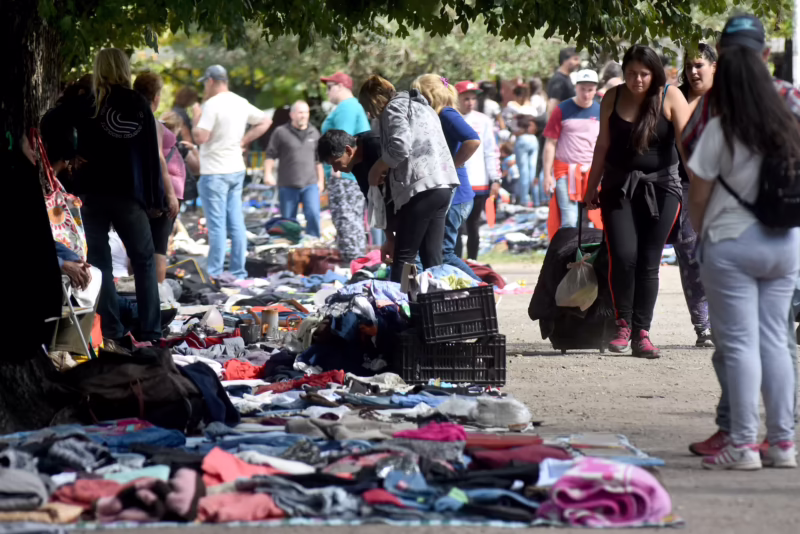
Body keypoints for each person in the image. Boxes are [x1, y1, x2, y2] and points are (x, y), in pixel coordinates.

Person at [683, 13, 800, 463]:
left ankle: (743, 444)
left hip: (732, 243)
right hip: (784, 242)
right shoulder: (789, 113)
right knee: (776, 339)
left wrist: (702, 236)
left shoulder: (720, 121)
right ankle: (784, 444)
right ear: (765, 60)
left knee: (740, 345)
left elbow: (699, 191)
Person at [583, 44, 692, 359]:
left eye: (644, 74)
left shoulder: (671, 97)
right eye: (631, 73)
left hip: (663, 189)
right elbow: (602, 144)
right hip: (618, 188)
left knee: (648, 260)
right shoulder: (613, 97)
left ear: (655, 73)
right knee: (623, 255)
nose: (637, 80)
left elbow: (687, 147)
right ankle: (623, 325)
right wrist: (591, 186)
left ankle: (642, 333)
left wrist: (699, 187)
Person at [73, 48, 168, 343]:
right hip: (129, 195)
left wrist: (74, 159)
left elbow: (67, 134)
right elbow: (150, 156)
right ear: (124, 69)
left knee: (99, 265)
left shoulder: (88, 104)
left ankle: (113, 331)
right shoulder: (137, 103)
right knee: (144, 261)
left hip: (92, 195)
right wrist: (156, 200)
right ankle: (150, 330)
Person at [357, 75, 460, 283]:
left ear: (375, 100)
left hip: (421, 187)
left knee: (404, 256)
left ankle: (396, 305)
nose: (369, 113)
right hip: (444, 184)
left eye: (368, 106)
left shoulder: (394, 108)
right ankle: (437, 307)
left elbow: (400, 147)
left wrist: (378, 167)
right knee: (433, 259)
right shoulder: (422, 106)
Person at [192, 65, 272, 280]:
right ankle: (238, 272)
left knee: (217, 226)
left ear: (210, 81)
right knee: (236, 223)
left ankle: (215, 274)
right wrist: (244, 140)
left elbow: (201, 137)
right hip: (236, 169)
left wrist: (196, 118)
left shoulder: (211, 105)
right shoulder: (240, 102)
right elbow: (266, 120)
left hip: (214, 172)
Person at [412, 74, 482, 281]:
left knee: (444, 252)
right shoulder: (436, 116)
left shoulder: (447, 114)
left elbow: (473, 140)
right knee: (436, 252)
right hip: (450, 194)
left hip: (457, 196)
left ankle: (481, 288)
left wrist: (451, 165)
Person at [672, 44, 718, 347]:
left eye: (699, 65)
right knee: (690, 255)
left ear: (714, 66)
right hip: (687, 188)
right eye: (688, 66)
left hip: (727, 189)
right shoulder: (677, 98)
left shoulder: (731, 99)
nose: (692, 71)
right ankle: (704, 328)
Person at [133, 71, 185, 283]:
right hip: (161, 190)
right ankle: (156, 298)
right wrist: (171, 195)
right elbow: (158, 159)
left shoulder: (129, 119)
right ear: (156, 97)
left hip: (146, 189)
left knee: (139, 247)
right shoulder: (149, 121)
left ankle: (140, 294)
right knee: (158, 247)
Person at [542, 69, 603, 239]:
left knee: (592, 219)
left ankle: (587, 258)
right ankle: (568, 257)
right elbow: (550, 143)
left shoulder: (601, 111)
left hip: (592, 172)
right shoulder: (562, 109)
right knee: (569, 219)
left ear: (595, 89)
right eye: (582, 89)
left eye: (590, 89)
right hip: (565, 171)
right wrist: (547, 175)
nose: (586, 94)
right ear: (576, 87)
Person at [320, 71, 372, 262]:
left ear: (341, 86)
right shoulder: (350, 106)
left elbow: (341, 140)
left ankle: (355, 263)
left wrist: (336, 171)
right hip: (350, 175)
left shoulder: (347, 107)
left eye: (329, 88)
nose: (327, 93)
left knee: (347, 220)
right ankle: (356, 263)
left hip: (345, 176)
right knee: (350, 220)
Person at [455, 80, 501, 260]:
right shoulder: (449, 117)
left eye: (473, 98)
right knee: (456, 226)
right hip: (457, 180)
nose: (470, 102)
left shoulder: (483, 120)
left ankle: (473, 262)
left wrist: (495, 178)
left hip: (479, 181)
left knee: (474, 226)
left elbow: (491, 150)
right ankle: (456, 263)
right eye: (466, 98)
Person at [263, 101, 323, 238]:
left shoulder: (314, 133)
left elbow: (318, 159)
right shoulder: (280, 132)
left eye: (306, 112)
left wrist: (321, 181)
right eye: (300, 112)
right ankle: (290, 248)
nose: (303, 116)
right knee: (288, 221)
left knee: (313, 214)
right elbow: (270, 154)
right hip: (288, 184)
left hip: (310, 184)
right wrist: (268, 174)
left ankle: (313, 243)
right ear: (292, 114)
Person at [547, 47, 582, 115]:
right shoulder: (559, 80)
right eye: (575, 59)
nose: (578, 62)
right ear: (565, 60)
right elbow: (552, 107)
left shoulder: (566, 78)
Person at [514, 115, 539, 207]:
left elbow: (515, 132)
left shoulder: (519, 121)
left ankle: (524, 200)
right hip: (533, 139)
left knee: (523, 171)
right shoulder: (532, 117)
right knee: (533, 170)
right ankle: (536, 200)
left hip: (522, 140)